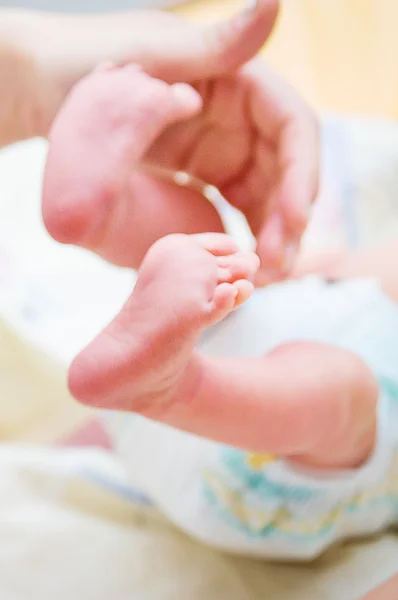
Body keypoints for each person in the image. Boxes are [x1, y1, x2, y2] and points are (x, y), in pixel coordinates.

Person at [43, 62, 398, 560]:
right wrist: (285, 265)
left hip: (273, 467)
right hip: (177, 361)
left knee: (343, 390)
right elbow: (320, 275)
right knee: (214, 250)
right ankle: (99, 211)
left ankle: (172, 388)